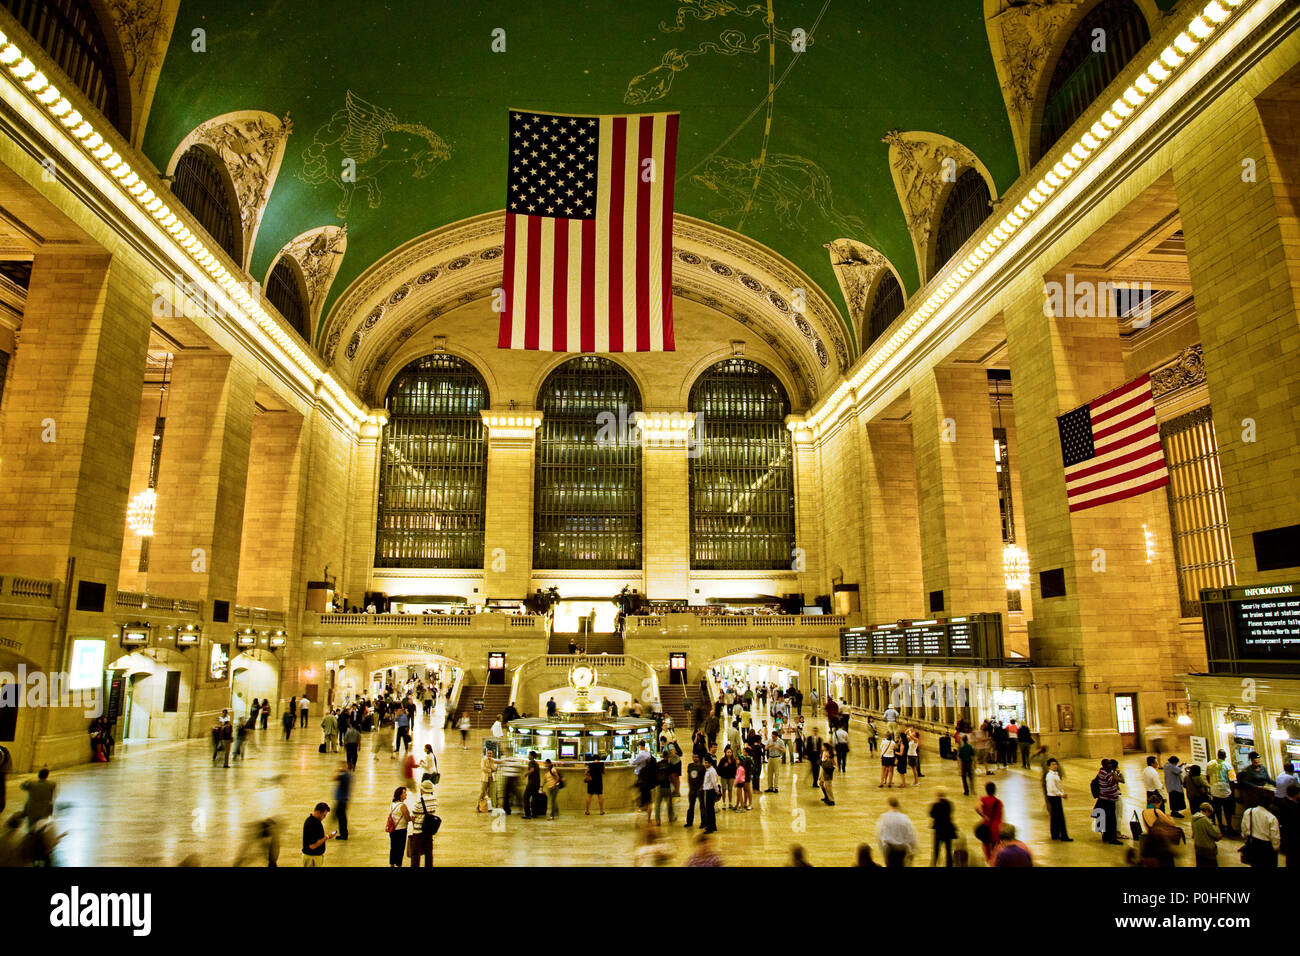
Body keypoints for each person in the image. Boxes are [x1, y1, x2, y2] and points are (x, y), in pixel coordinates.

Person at [877, 797, 917, 867]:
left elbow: (879, 835)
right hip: (901, 850)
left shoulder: (884, 818)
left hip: (889, 850)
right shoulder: (904, 818)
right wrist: (912, 851)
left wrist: (882, 850)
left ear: (889, 805)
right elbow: (910, 836)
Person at [1239, 801, 1281, 867]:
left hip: (1253, 843)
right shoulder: (1271, 818)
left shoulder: (1249, 811)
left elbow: (1244, 828)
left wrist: (1245, 839)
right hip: (1266, 847)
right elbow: (1275, 836)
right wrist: (1276, 848)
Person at [1206, 749, 1236, 835]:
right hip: (1226, 791)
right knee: (1228, 811)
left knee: (1217, 810)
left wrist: (1212, 785)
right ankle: (1229, 826)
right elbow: (1232, 780)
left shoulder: (1210, 764)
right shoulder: (1228, 766)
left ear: (1217, 755)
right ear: (1225, 756)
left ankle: (1220, 825)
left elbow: (1207, 776)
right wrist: (1232, 792)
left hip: (1214, 791)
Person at [1094, 759, 1123, 845]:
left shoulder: (1101, 772)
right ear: (1104, 765)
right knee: (1112, 820)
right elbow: (1114, 781)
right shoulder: (1107, 774)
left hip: (1103, 798)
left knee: (1106, 819)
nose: (1110, 765)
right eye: (1108, 764)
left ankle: (1106, 836)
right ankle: (1113, 839)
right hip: (1109, 799)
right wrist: (1115, 773)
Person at [408, 779, 436, 867]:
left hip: (418, 831)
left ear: (423, 790)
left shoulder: (420, 801)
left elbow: (413, 814)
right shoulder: (434, 800)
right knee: (429, 852)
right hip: (428, 830)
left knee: (415, 854)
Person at [976, 782, 1004, 862]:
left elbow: (976, 807)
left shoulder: (983, 799)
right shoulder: (999, 802)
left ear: (986, 790)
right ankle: (994, 861)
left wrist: (984, 816)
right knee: (996, 847)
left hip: (987, 826)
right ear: (995, 790)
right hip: (997, 828)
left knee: (986, 845)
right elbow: (1002, 816)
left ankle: (988, 861)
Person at [1045, 758, 1071, 841]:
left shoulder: (1055, 774)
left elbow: (1058, 786)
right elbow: (1052, 788)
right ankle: (1064, 836)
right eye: (1053, 764)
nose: (1055, 766)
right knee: (1060, 817)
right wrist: (1061, 794)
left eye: (1056, 764)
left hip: (1055, 796)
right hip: (1054, 797)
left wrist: (1062, 792)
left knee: (1055, 817)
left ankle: (1055, 834)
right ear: (1049, 766)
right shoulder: (1050, 776)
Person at [929, 790, 957, 866]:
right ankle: (949, 864)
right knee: (948, 850)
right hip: (948, 829)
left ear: (937, 796)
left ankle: (934, 864)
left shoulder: (935, 805)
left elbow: (931, 814)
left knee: (936, 850)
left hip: (938, 830)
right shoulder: (950, 804)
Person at [387, 787, 411, 867]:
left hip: (393, 829)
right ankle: (399, 864)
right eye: (404, 793)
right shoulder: (402, 806)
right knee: (400, 849)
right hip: (401, 830)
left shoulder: (392, 804)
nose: (406, 794)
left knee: (393, 848)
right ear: (400, 795)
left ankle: (392, 864)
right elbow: (408, 819)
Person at [1191, 801, 1221, 867]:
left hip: (1198, 847)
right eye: (1209, 813)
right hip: (1207, 848)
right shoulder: (1205, 820)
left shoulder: (1193, 818)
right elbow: (1215, 834)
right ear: (1207, 811)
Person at [701, 757, 720, 833]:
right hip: (707, 790)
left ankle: (710, 827)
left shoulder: (712, 771)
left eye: (707, 762)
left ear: (710, 763)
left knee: (709, 810)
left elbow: (714, 782)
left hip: (710, 791)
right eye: (705, 762)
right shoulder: (708, 770)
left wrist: (717, 791)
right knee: (709, 810)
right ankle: (712, 826)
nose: (706, 764)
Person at [332, 763, 352, 840]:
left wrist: (337, 771)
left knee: (341, 817)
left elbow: (333, 778)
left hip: (341, 800)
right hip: (343, 799)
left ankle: (344, 834)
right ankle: (344, 833)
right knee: (341, 816)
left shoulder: (344, 776)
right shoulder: (348, 775)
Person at [523, 751, 541, 819]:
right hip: (537, 783)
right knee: (534, 798)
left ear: (532, 756)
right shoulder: (536, 763)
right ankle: (534, 813)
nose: (528, 756)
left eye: (529, 755)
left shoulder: (531, 762)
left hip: (531, 783)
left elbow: (532, 770)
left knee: (526, 797)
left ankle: (527, 814)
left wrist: (526, 774)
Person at [819, 742, 836, 806]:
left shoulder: (829, 753)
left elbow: (832, 763)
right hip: (822, 769)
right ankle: (827, 797)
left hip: (826, 770)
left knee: (828, 786)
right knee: (821, 783)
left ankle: (831, 800)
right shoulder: (823, 752)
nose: (822, 747)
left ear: (825, 747)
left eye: (823, 746)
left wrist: (827, 759)